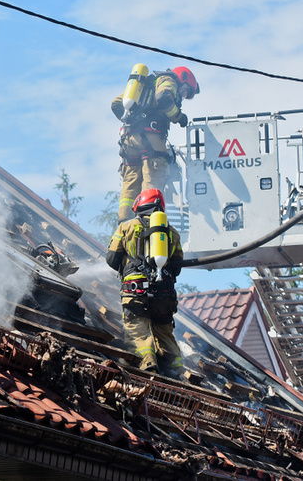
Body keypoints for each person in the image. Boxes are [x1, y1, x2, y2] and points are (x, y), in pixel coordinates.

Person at [106, 188, 184, 378]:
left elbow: (111, 258)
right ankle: (175, 368)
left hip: (135, 292)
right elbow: (177, 268)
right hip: (165, 295)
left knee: (138, 333)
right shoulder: (172, 233)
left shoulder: (126, 227)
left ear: (139, 205)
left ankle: (148, 366)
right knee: (164, 332)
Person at [112, 66, 199, 223]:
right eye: (186, 91)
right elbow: (163, 99)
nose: (184, 96)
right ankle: (147, 220)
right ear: (182, 78)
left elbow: (116, 104)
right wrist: (179, 117)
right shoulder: (168, 80)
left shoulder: (144, 86)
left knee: (130, 180)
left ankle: (124, 223)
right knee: (153, 176)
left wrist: (132, 122)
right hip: (151, 139)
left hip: (128, 140)